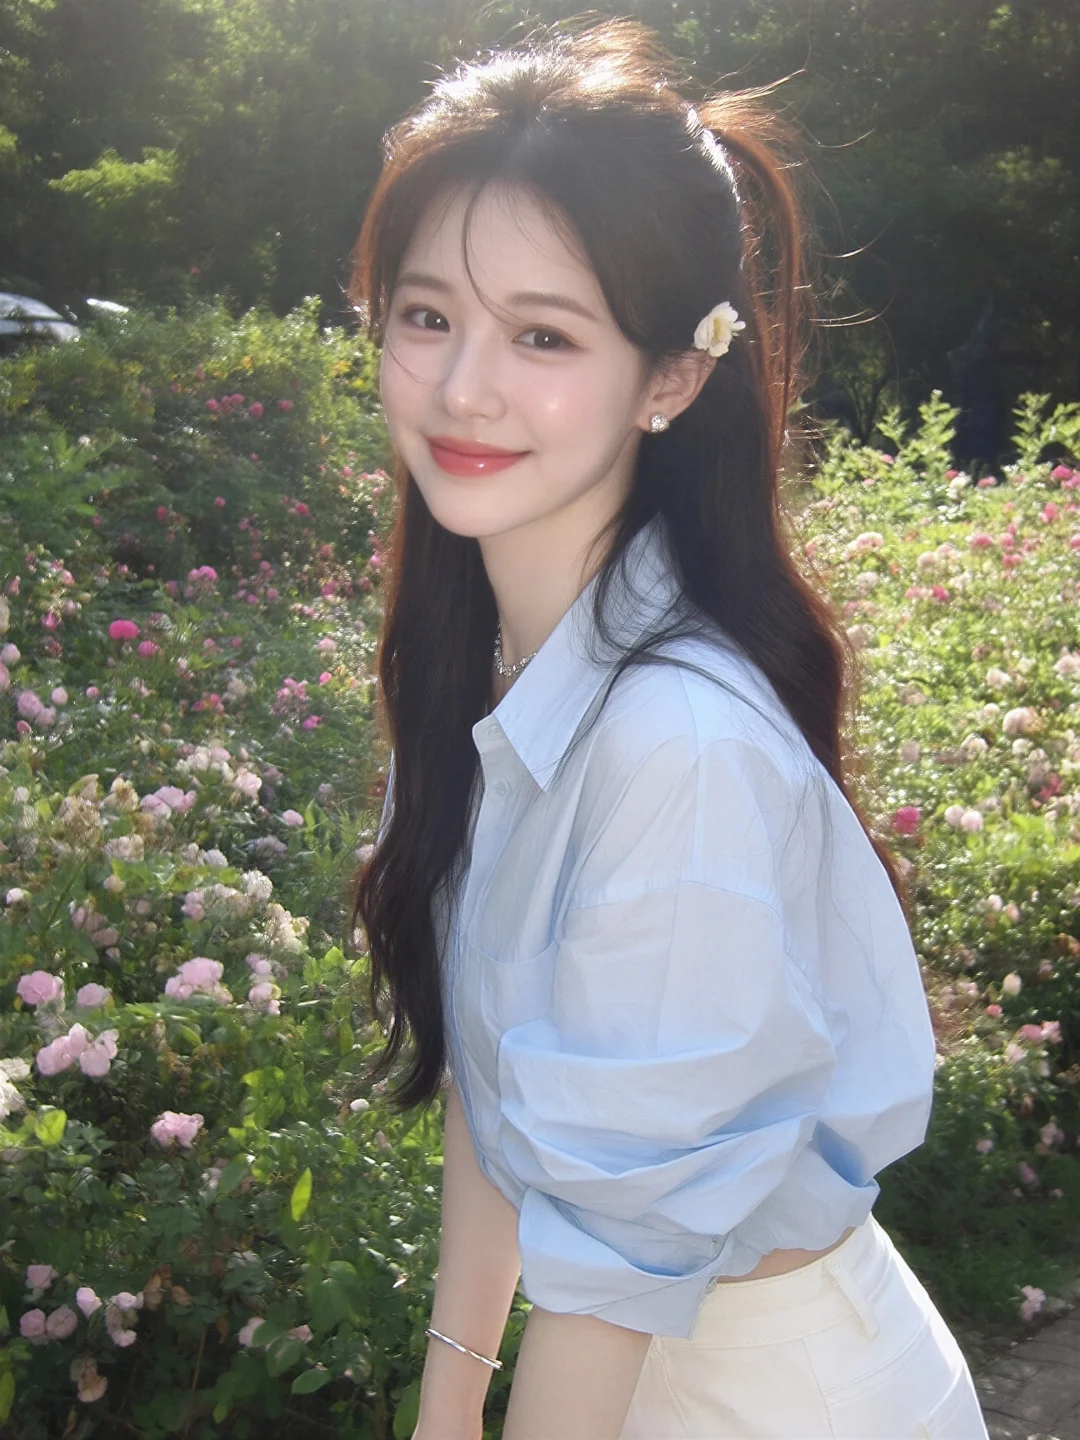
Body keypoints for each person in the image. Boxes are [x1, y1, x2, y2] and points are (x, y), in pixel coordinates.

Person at [349, 18, 991, 1440]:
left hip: (779, 1398)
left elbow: (612, 1267)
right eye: (428, 315)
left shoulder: (675, 745)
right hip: (635, 1379)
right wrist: (446, 1410)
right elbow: (504, 1099)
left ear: (671, 378)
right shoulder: (492, 679)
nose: (463, 386)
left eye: (543, 335)